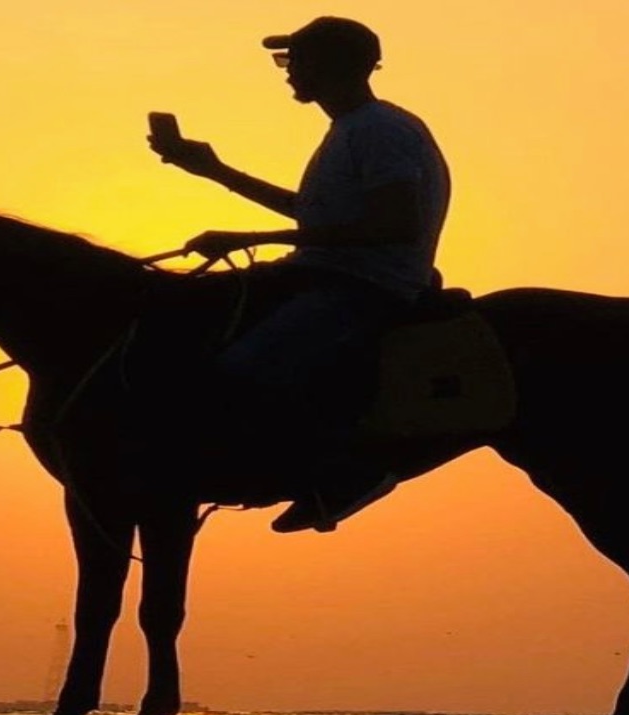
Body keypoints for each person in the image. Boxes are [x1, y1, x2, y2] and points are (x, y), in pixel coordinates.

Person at [148, 16, 452, 533]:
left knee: (247, 366)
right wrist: (215, 171)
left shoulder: (381, 130)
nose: (288, 74)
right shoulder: (354, 129)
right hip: (322, 275)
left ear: (334, 65)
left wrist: (250, 239)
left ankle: (347, 472)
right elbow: (319, 217)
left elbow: (395, 224)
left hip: (365, 287)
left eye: (297, 61)